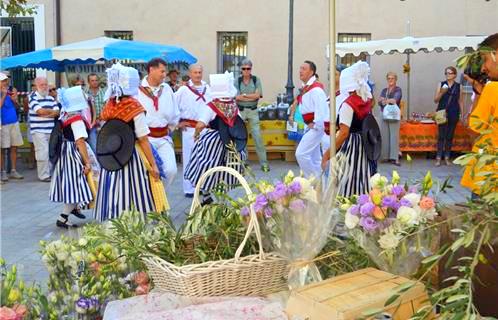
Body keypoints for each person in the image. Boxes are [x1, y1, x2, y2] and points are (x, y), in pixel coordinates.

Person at [94, 63, 161, 221]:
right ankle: (134, 221)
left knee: (113, 188)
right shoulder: (134, 107)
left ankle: (112, 219)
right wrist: (153, 165)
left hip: (112, 155)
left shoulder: (109, 105)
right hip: (131, 155)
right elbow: (143, 138)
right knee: (135, 187)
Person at [185, 72, 247, 202]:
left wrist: (196, 135)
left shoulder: (212, 105)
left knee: (202, 162)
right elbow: (240, 124)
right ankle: (222, 192)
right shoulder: (233, 105)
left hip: (213, 140)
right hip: (231, 142)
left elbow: (200, 124)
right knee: (225, 167)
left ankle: (205, 191)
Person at [321, 61, 376, 197]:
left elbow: (344, 133)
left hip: (351, 147)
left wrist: (327, 154)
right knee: (362, 178)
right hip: (364, 145)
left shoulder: (349, 104)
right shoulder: (366, 101)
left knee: (346, 181)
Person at [50, 86, 96, 228]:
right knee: (77, 185)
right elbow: (80, 141)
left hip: (65, 151)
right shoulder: (76, 118)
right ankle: (64, 216)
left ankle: (70, 211)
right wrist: (87, 162)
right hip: (72, 152)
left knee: (74, 185)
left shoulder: (65, 114)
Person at [461, 33, 498, 198]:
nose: (483, 68)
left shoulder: (492, 90)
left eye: (485, 59)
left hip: (489, 177)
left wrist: (478, 92)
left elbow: (474, 131)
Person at [137, 58, 179, 187]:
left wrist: (170, 129)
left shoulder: (166, 89)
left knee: (171, 170)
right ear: (151, 70)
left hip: (163, 137)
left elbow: (175, 112)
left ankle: (160, 199)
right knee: (146, 173)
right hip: (144, 139)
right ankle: (150, 203)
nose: (164, 74)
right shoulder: (137, 90)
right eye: (162, 71)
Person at [175, 64, 211, 197]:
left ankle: (202, 185)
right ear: (190, 74)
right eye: (195, 72)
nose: (198, 75)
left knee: (204, 158)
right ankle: (189, 188)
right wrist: (178, 122)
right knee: (189, 157)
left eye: (200, 72)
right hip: (189, 129)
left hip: (205, 129)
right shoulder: (183, 90)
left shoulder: (208, 89)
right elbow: (172, 106)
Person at [294, 60, 329, 178]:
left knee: (301, 154)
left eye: (304, 69)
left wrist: (316, 125)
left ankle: (314, 179)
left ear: (312, 72)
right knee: (315, 159)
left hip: (316, 127)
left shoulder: (316, 90)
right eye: (300, 68)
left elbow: (321, 109)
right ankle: (321, 186)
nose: (300, 71)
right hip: (311, 126)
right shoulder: (307, 88)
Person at [235, 58, 269, 172]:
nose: (245, 71)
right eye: (243, 69)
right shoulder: (237, 80)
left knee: (257, 136)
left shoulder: (256, 79)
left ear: (251, 69)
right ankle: (243, 163)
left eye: (248, 68)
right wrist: (250, 95)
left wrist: (244, 95)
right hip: (240, 111)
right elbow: (236, 97)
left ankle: (264, 163)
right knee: (241, 137)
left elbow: (258, 95)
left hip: (253, 111)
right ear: (241, 69)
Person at [29, 77, 60, 182]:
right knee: (42, 152)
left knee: (50, 152)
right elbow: (40, 111)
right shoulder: (32, 98)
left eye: (46, 84)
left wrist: (48, 113)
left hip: (50, 130)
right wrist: (51, 112)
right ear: (36, 86)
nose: (45, 87)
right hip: (38, 130)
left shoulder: (51, 98)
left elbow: (57, 112)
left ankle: (50, 173)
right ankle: (44, 175)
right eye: (42, 85)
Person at [433, 66, 464, 166]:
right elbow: (435, 100)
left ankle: (447, 157)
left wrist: (462, 114)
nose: (447, 75)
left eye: (450, 73)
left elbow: (461, 101)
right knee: (441, 135)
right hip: (442, 112)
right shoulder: (441, 84)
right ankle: (438, 157)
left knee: (450, 136)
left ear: (454, 75)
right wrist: (441, 92)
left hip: (454, 112)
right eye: (446, 73)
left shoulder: (459, 86)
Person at [0, 72, 24, 182]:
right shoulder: (3, 92)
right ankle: (3, 171)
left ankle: (13, 170)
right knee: (3, 148)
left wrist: (15, 101)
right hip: (3, 124)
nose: (6, 82)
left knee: (14, 146)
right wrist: (4, 95)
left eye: (6, 80)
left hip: (13, 121)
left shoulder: (12, 90)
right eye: (3, 80)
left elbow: (18, 106)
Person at [378, 72, 402, 166]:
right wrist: (384, 101)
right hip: (383, 113)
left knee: (394, 136)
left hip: (394, 114)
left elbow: (395, 100)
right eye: (388, 78)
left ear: (396, 79)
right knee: (384, 135)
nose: (390, 80)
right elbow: (379, 101)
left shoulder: (398, 89)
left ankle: (395, 158)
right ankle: (385, 157)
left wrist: (385, 100)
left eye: (392, 78)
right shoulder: (384, 90)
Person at [85, 73, 106, 151]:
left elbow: (107, 107)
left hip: (103, 122)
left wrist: (100, 118)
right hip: (90, 124)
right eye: (92, 80)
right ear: (88, 82)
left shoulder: (104, 92)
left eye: (96, 80)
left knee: (104, 145)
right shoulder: (85, 93)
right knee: (93, 146)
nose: (95, 82)